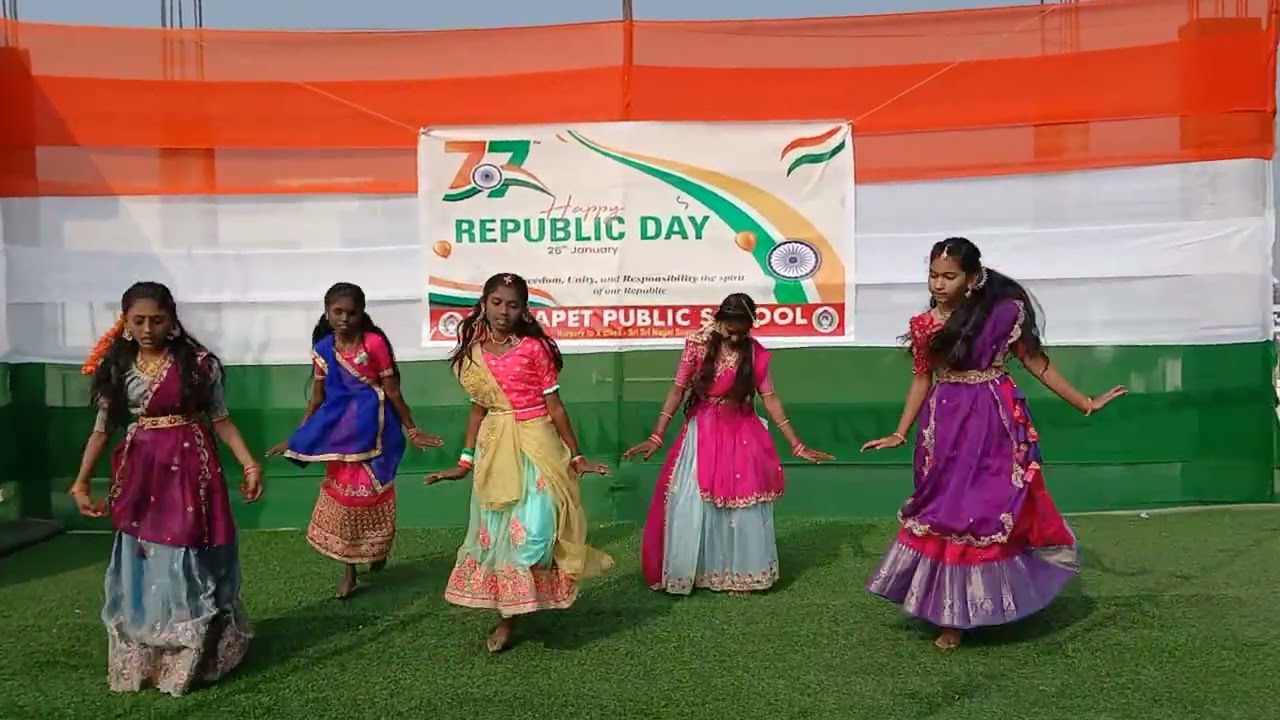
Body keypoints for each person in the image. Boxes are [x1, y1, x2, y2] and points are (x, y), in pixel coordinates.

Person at [861, 237, 1126, 649]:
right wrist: (900, 432)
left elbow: (1035, 362)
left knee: (984, 509)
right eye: (933, 275)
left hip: (993, 420)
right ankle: (950, 615)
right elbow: (921, 379)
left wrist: (1085, 403)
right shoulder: (924, 324)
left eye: (949, 276)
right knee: (947, 510)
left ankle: (975, 611)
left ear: (971, 279)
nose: (938, 284)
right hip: (944, 424)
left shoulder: (1001, 316)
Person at [68, 281, 263, 696]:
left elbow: (221, 420)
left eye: (156, 320)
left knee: (186, 554)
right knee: (145, 555)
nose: (147, 329)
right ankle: (150, 653)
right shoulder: (118, 369)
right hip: (141, 474)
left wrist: (249, 463)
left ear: (172, 321)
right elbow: (102, 430)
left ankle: (195, 655)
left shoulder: (198, 366)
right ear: (124, 323)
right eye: (138, 320)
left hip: (191, 473)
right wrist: (81, 481)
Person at [424, 272, 613, 653]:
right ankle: (508, 617)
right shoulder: (475, 352)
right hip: (496, 449)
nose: (503, 311)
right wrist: (464, 462)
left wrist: (577, 456)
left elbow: (555, 408)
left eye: (513, 305)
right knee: (499, 533)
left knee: (535, 533)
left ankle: (519, 604)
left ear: (524, 309)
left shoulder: (534, 349)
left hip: (537, 446)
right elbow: (478, 410)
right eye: (497, 303)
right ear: (484, 303)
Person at [625, 293, 832, 596]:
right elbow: (677, 390)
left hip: (742, 430)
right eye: (731, 330)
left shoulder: (754, 353)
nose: (736, 338)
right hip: (703, 431)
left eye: (742, 332)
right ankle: (697, 571)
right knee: (692, 499)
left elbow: (770, 399)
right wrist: (657, 434)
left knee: (742, 499)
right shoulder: (697, 345)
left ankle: (742, 574)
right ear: (719, 320)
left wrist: (796, 444)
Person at [267, 282, 442, 599]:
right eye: (338, 312)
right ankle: (349, 571)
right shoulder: (323, 350)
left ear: (362, 313)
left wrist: (412, 430)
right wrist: (297, 438)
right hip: (342, 438)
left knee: (374, 496)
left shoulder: (373, 344)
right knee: (346, 502)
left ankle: (377, 549)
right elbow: (317, 399)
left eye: (351, 312)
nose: (344, 318)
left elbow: (392, 392)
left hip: (379, 433)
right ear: (327, 312)